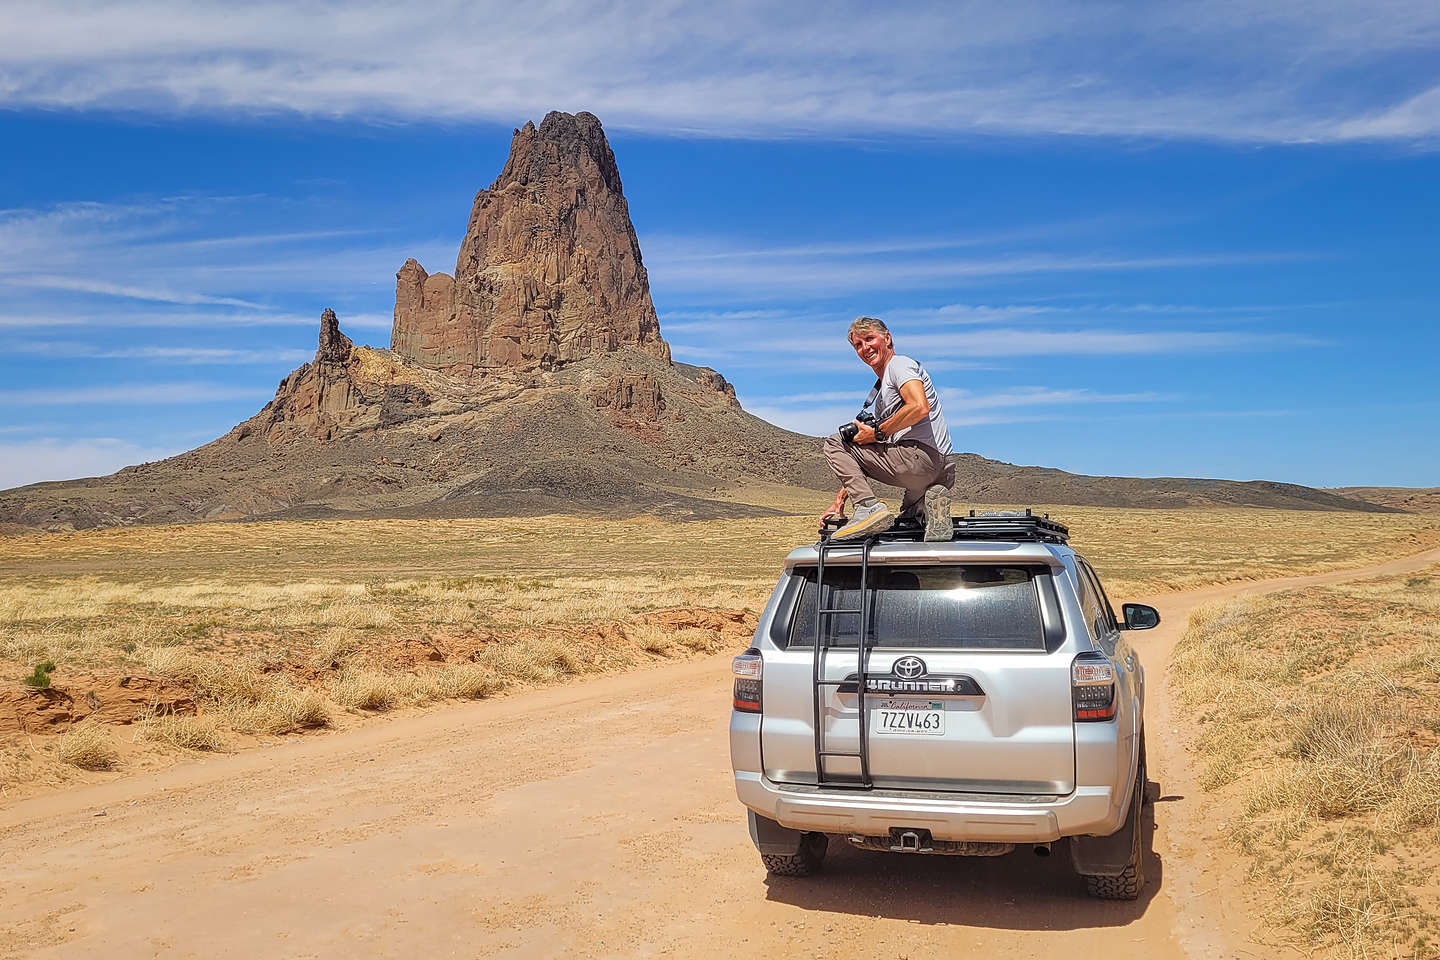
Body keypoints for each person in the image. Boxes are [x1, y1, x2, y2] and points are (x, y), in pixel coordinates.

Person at [821, 316, 955, 541]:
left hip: (919, 460)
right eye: (858, 345)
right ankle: (923, 510)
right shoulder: (884, 388)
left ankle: (867, 508)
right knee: (906, 522)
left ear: (888, 338)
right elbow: (862, 462)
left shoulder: (899, 365)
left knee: (836, 443)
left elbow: (920, 406)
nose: (865, 347)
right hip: (943, 468)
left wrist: (877, 433)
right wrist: (840, 500)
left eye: (869, 339)